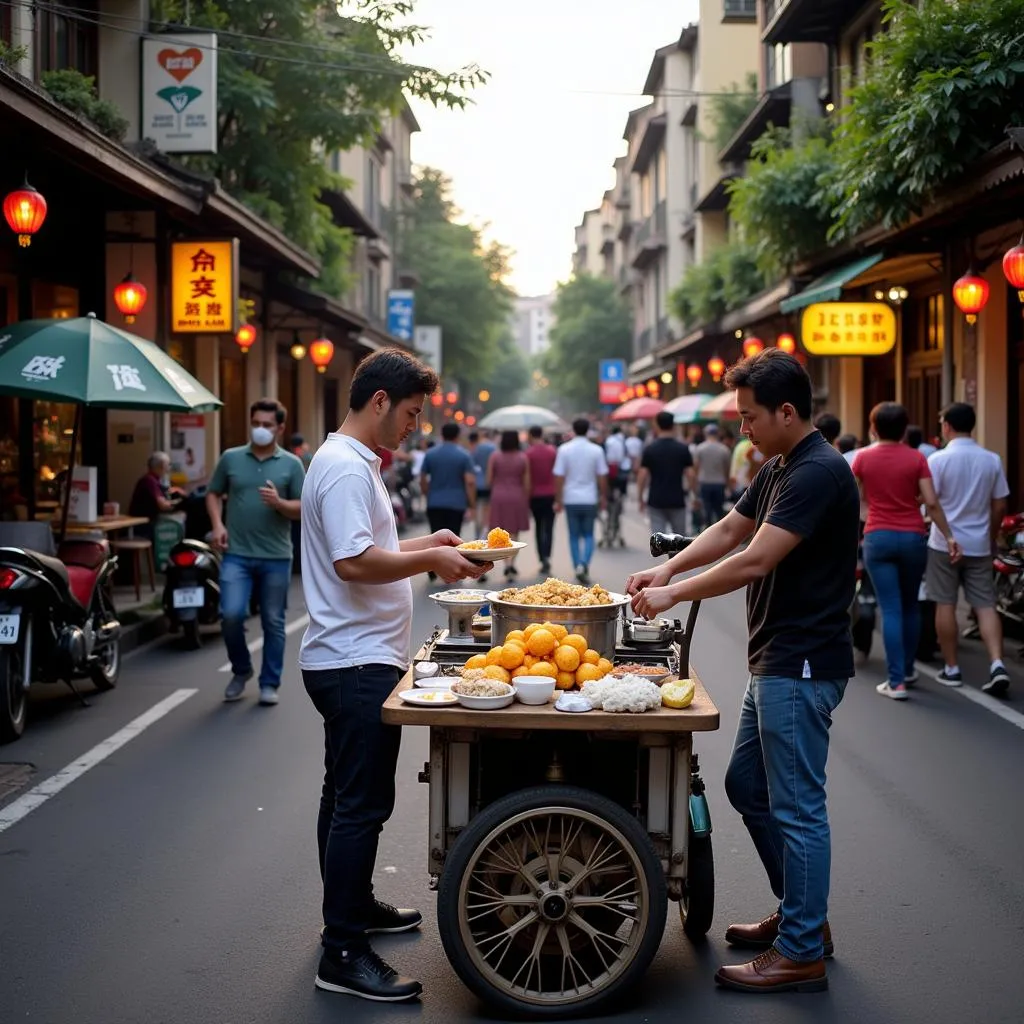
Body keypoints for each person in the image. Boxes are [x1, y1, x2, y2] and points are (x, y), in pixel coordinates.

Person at [626, 348, 859, 994]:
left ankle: (803, 948)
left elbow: (756, 559)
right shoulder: (781, 465)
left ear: (788, 412)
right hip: (777, 657)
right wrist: (669, 568)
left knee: (797, 806)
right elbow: (732, 529)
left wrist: (679, 593)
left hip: (802, 661)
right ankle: (801, 916)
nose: (743, 430)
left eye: (751, 418)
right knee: (747, 785)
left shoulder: (818, 472)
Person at [299, 349, 489, 1003]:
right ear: (379, 401)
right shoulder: (348, 468)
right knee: (361, 806)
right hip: (355, 659)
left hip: (351, 656)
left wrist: (426, 543)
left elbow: (368, 548)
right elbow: (353, 564)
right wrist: (431, 562)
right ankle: (342, 950)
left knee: (344, 798)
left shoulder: (352, 462)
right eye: (410, 413)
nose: (414, 427)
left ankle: (349, 912)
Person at [852, 402, 960, 700]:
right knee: (910, 605)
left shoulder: (863, 457)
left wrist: (865, 512)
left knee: (890, 608)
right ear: (904, 428)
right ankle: (909, 670)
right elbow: (932, 502)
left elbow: (850, 496)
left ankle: (895, 681)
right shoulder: (916, 458)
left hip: (878, 537)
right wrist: (949, 537)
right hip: (913, 536)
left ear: (874, 428)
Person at [206, 399, 305, 705]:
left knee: (273, 621)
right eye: (256, 423)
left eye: (267, 425)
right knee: (230, 614)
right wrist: (218, 525)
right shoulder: (231, 458)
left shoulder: (291, 464)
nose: (260, 429)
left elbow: (302, 509)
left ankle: (269, 682)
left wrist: (279, 503)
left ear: (280, 428)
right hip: (236, 554)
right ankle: (241, 669)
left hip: (276, 556)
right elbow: (213, 493)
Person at [925, 402, 1012, 694]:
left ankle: (952, 668)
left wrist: (948, 534)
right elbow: (1000, 504)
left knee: (945, 603)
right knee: (985, 604)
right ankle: (997, 663)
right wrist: (992, 534)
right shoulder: (991, 460)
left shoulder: (937, 461)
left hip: (943, 543)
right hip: (979, 543)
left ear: (947, 426)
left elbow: (931, 503)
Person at [553, 417, 608, 584]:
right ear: (588, 430)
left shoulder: (564, 449)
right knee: (589, 534)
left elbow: (559, 476)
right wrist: (603, 496)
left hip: (571, 498)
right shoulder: (596, 450)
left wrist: (558, 499)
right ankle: (584, 564)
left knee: (574, 535)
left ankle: (577, 565)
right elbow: (602, 476)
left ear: (574, 430)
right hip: (590, 498)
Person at [420, 423, 476, 580]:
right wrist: (471, 504)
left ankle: (431, 567)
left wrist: (427, 494)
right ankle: (451, 570)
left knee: (434, 537)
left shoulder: (430, 454)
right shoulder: (464, 455)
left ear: (442, 434)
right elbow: (470, 481)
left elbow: (423, 478)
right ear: (458, 435)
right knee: (454, 539)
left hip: (435, 502)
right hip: (456, 503)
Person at [637, 410, 694, 536]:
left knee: (659, 539)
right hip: (677, 499)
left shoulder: (650, 449)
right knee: (679, 540)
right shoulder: (683, 449)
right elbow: (690, 474)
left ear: (657, 426)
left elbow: (642, 475)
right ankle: (676, 557)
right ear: (673, 425)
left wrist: (640, 497)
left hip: (656, 499)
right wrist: (692, 493)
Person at [487, 430, 531, 580]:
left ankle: (506, 564)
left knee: (501, 531)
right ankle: (511, 562)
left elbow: (488, 479)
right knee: (514, 532)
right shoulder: (522, 457)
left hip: (499, 495)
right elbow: (526, 482)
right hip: (517, 496)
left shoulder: (495, 456)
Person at [525, 425, 557, 575]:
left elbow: (527, 477)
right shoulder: (552, 451)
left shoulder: (528, 453)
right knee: (549, 527)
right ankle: (547, 556)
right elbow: (557, 474)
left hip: (535, 495)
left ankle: (541, 557)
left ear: (531, 435)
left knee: (538, 527)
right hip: (550, 494)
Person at [128, 451, 181, 538]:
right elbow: (162, 505)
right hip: (143, 526)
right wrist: (180, 503)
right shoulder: (149, 481)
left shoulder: (154, 480)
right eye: (168, 465)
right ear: (161, 466)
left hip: (147, 524)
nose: (169, 468)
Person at [694, 423, 731, 528]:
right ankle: (720, 530)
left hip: (704, 482)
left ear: (706, 433)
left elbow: (696, 468)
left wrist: (695, 484)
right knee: (719, 510)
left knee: (707, 509)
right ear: (717, 434)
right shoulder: (724, 449)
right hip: (719, 483)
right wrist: (728, 485)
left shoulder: (700, 448)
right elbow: (727, 469)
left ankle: (707, 529)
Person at [467, 430, 496, 539]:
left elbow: (470, 467)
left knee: (477, 509)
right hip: (489, 483)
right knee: (486, 510)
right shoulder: (492, 448)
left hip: (476, 483)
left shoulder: (474, 449)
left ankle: (477, 533)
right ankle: (485, 533)